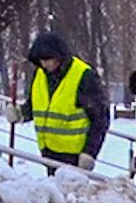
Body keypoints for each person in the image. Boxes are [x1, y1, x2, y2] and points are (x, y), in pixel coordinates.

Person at [9, 31, 109, 171]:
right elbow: (36, 107)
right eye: (41, 60)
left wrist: (90, 153)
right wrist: (20, 114)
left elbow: (100, 118)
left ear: (59, 56)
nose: (44, 64)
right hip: (48, 152)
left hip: (75, 156)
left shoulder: (83, 76)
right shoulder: (40, 75)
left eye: (48, 59)